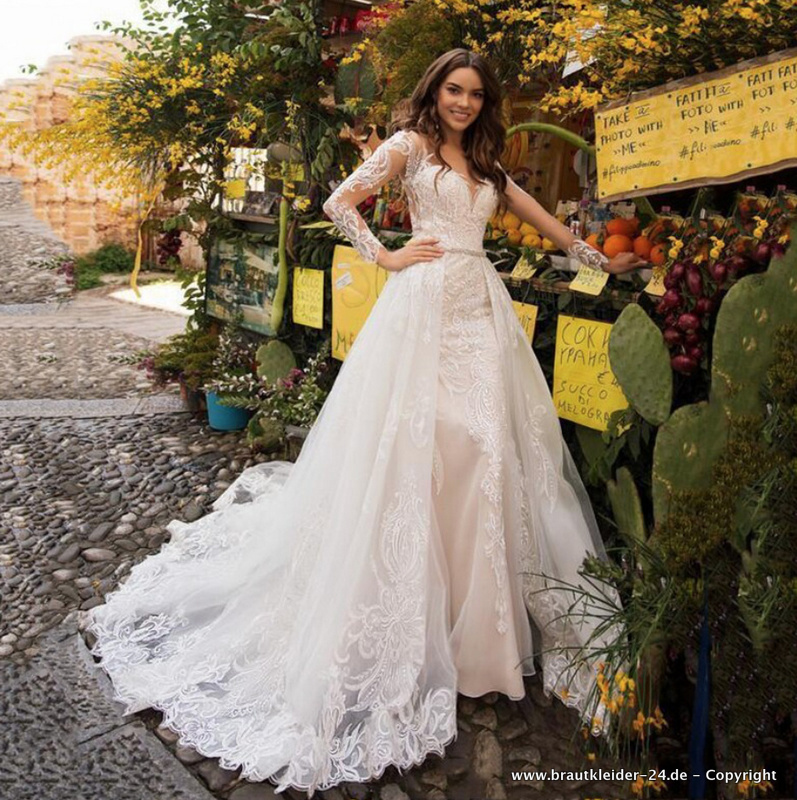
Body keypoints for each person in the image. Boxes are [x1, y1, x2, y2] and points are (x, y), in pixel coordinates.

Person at [85, 48, 640, 797]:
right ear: (433, 90)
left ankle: (479, 635)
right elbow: (338, 203)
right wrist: (387, 256)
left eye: (476, 93)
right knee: (421, 447)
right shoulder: (407, 145)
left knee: (486, 449)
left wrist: (592, 254)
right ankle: (409, 611)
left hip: (480, 313)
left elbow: (540, 217)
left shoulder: (486, 162)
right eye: (453, 89)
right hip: (419, 309)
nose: (464, 103)